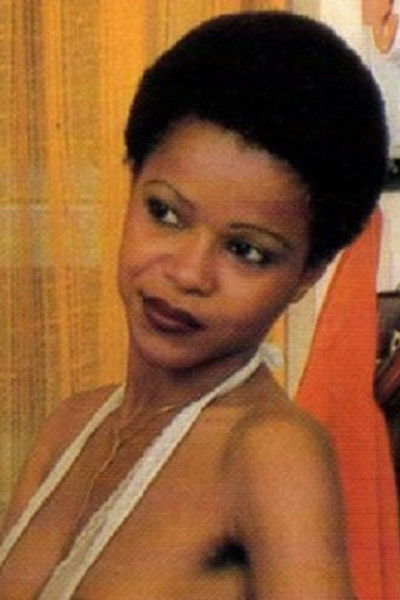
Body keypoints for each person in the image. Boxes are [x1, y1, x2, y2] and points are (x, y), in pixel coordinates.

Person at [0, 11, 388, 600]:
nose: (187, 273)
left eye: (246, 250)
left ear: (306, 274)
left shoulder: (269, 454)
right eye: (165, 213)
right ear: (132, 182)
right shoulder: (71, 427)